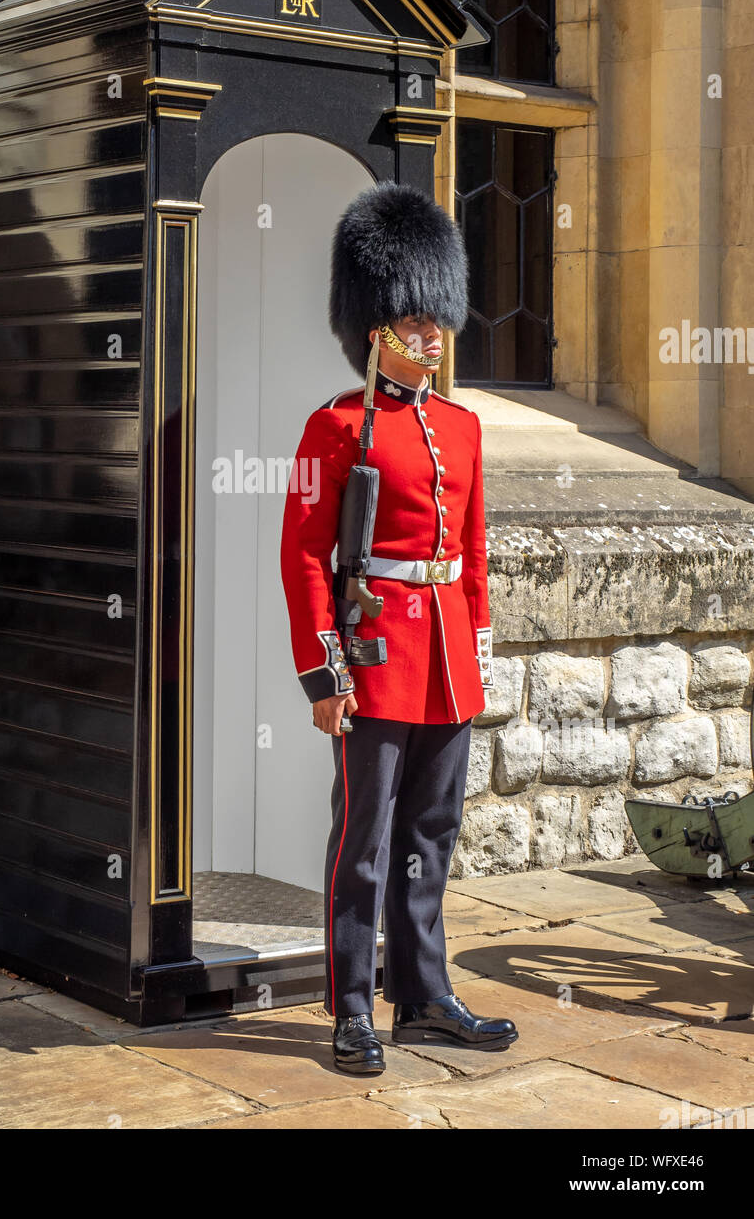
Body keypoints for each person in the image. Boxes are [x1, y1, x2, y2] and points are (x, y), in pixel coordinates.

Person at [279, 181, 518, 1073]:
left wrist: (478, 644)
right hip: (375, 658)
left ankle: (421, 994)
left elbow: (474, 551)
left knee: (431, 834)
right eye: (412, 322)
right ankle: (349, 1007)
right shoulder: (335, 428)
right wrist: (324, 673)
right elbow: (303, 554)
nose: (430, 336)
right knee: (364, 838)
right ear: (373, 326)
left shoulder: (460, 428)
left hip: (446, 660)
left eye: (434, 320)